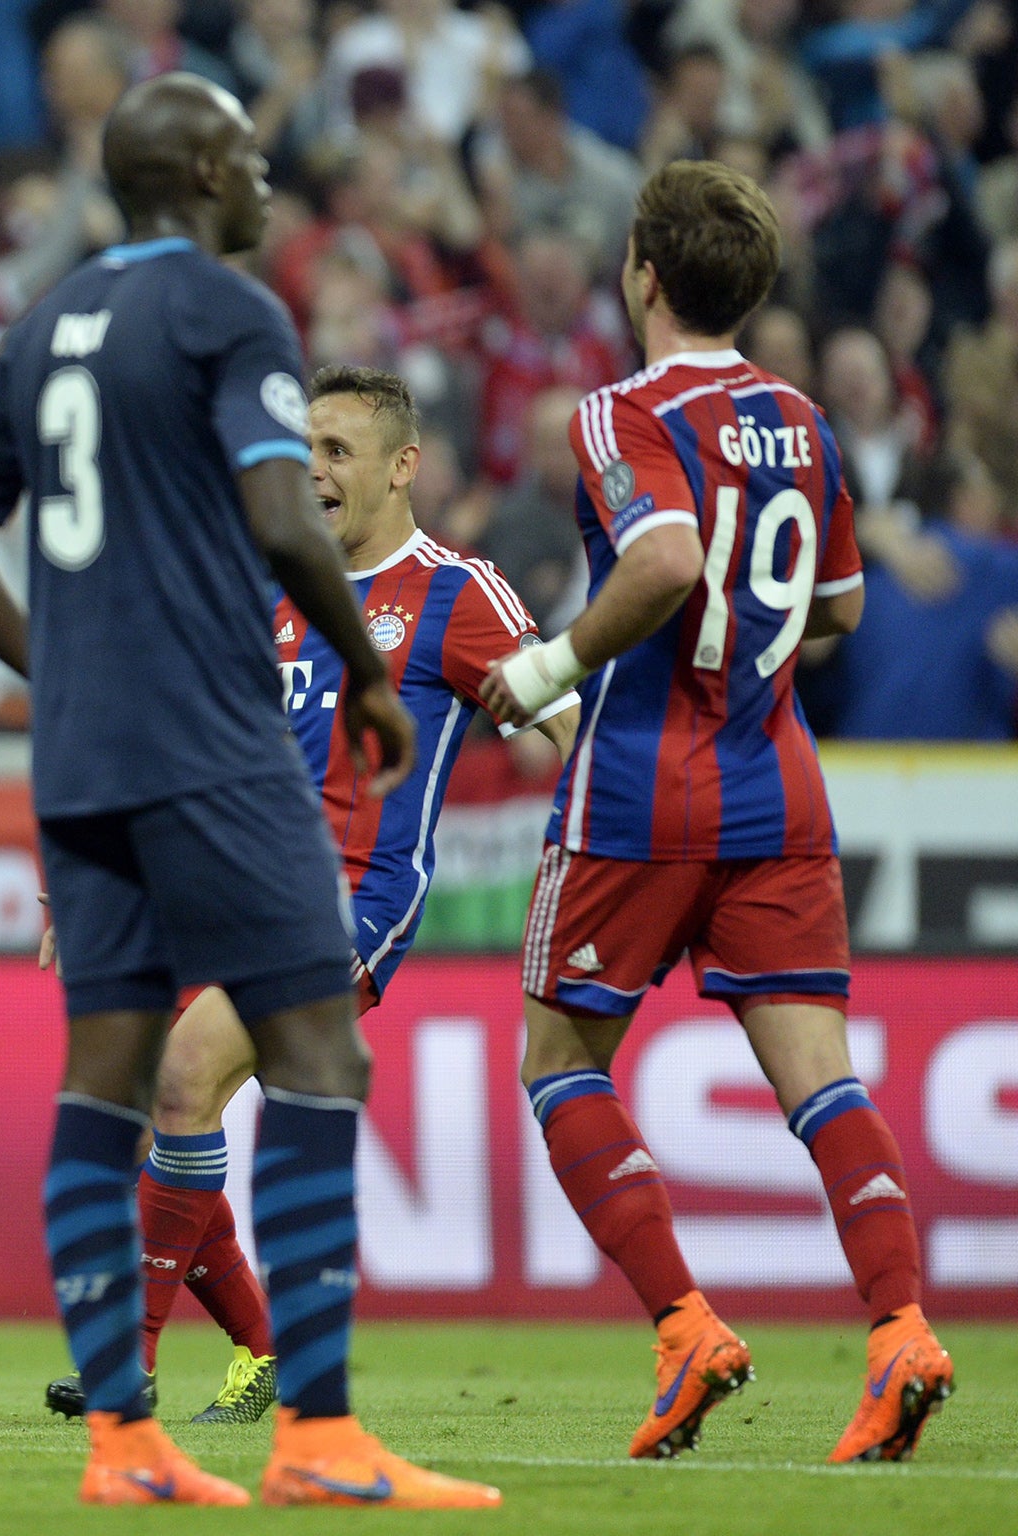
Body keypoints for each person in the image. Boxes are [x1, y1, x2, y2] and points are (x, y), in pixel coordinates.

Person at [0, 72, 498, 1510]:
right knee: (317, 1055)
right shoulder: (233, 314)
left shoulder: (42, 323)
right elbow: (283, 510)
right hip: (212, 742)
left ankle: (122, 1439)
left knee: (113, 1076)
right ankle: (317, 1432)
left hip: (87, 752)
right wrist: (366, 669)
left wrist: (61, 671)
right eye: (245, 155)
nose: (265, 181)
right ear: (193, 172)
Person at [481, 160, 955, 1463]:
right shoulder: (804, 418)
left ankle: (687, 1327)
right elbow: (845, 606)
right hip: (778, 784)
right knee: (823, 1082)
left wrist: (548, 665)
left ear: (641, 269)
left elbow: (670, 558)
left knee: (559, 1063)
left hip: (638, 787)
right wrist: (756, 635)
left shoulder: (617, 412)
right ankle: (900, 1329)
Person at [42, 365, 578, 1426]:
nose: (312, 470)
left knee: (186, 1073)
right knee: (164, 1096)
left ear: (400, 466)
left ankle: (124, 1367)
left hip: (349, 900)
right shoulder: (260, 585)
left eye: (336, 450)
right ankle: (264, 1351)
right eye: (302, 450)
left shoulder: (457, 592)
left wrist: (596, 838)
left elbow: (571, 735)